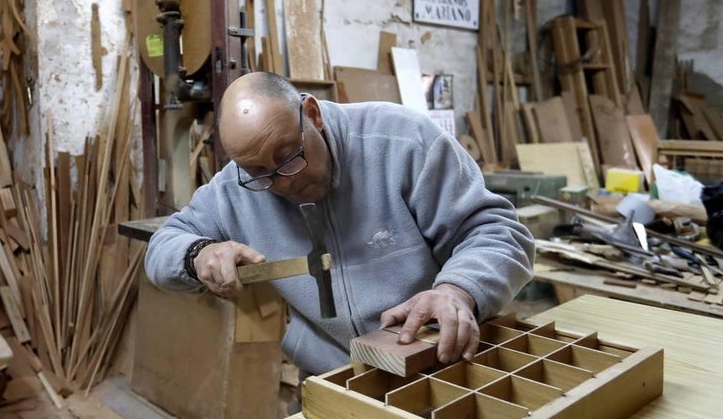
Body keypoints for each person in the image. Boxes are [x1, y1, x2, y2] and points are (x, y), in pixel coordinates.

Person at [143, 72, 535, 378]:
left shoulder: (403, 142)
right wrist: (198, 254)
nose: (284, 181)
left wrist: (458, 290)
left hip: (436, 360)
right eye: (260, 173)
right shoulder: (237, 187)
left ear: (312, 114)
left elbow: (499, 232)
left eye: (290, 155)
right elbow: (162, 248)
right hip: (333, 375)